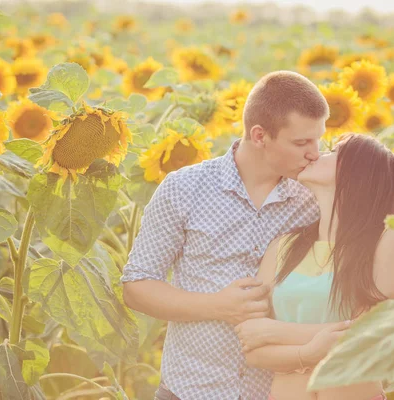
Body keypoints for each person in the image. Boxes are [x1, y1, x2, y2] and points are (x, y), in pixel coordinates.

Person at [121, 70, 329, 400]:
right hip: (190, 389)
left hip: (275, 391)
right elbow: (137, 285)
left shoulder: (314, 200)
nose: (314, 153)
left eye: (318, 139)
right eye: (301, 142)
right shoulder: (184, 188)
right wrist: (218, 306)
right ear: (260, 136)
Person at [234, 133, 394, 400]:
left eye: (333, 151)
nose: (317, 154)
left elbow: (374, 335)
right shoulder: (283, 246)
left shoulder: (387, 239)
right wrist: (310, 352)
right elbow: (253, 349)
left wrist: (277, 331)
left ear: (358, 173)